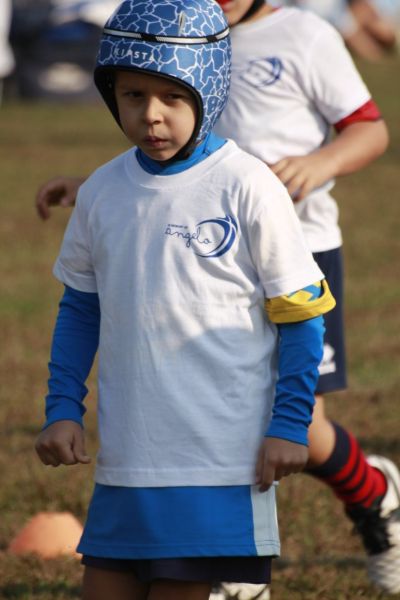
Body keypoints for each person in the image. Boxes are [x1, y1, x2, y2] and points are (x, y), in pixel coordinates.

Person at [35, 0, 400, 597]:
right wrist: (61, 407)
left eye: (172, 98)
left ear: (206, 90)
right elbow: (81, 305)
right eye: (132, 97)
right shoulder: (108, 188)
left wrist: (319, 163)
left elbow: (303, 315)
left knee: (303, 430)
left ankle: (367, 500)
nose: (151, 116)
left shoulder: (296, 57)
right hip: (127, 467)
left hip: (287, 261)